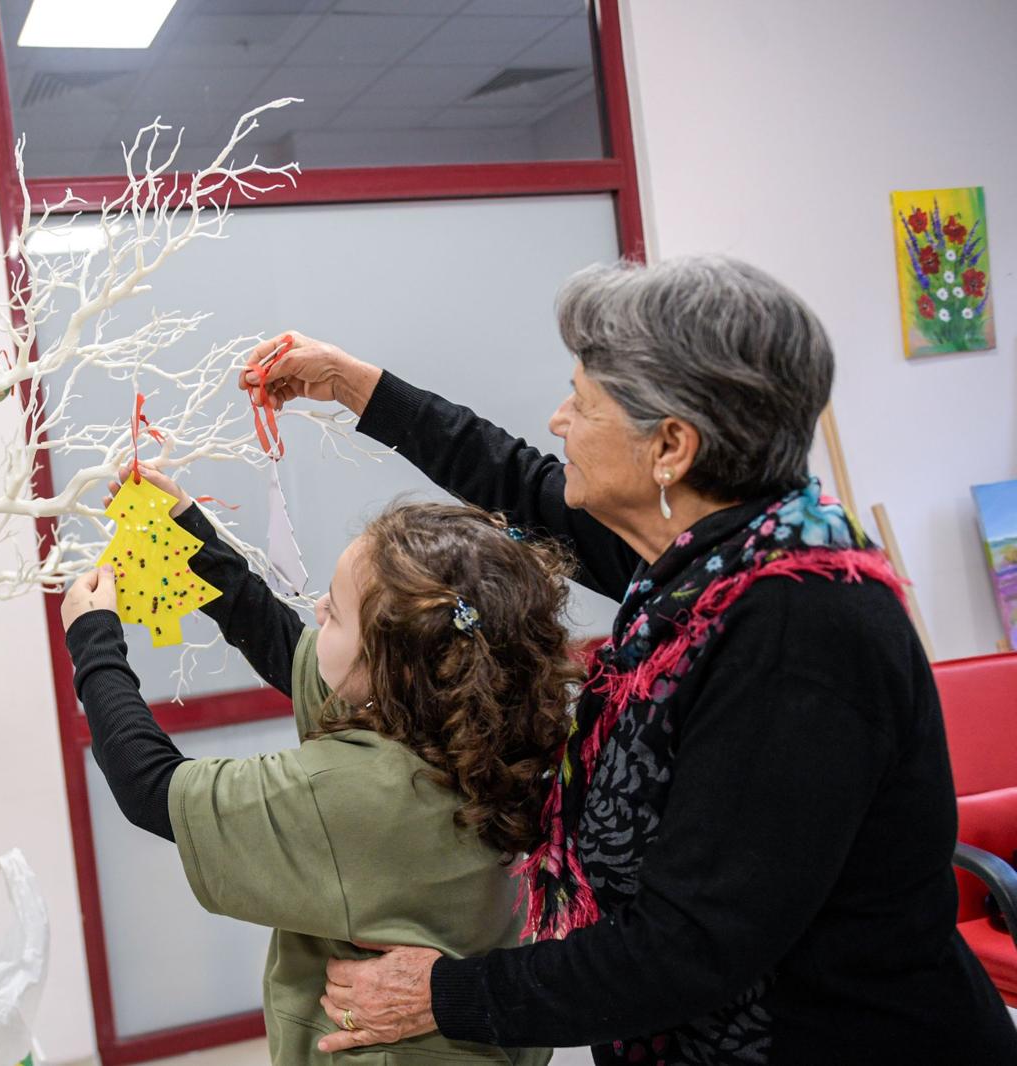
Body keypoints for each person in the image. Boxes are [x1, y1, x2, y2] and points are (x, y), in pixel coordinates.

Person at [239, 255, 1017, 1065]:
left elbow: (691, 943)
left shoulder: (798, 633)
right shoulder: (712, 556)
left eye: (582, 402)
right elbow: (522, 484)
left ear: (671, 447)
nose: (557, 420)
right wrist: (354, 385)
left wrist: (449, 995)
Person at [60, 465, 578, 1065]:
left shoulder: (359, 795)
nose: (315, 608)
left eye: (333, 613)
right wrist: (191, 538)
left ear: (387, 669)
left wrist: (93, 639)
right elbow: (288, 647)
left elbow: (148, 785)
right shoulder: (479, 723)